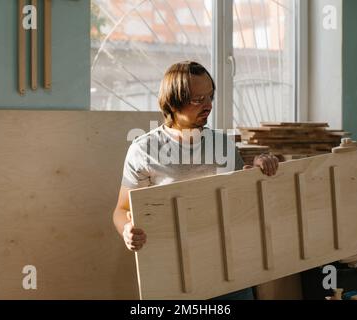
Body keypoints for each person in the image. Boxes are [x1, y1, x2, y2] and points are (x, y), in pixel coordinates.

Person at [113, 61, 279, 300]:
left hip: (228, 269)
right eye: (198, 100)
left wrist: (257, 171)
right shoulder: (144, 149)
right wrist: (127, 230)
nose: (209, 106)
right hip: (173, 272)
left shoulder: (223, 144)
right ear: (173, 102)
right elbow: (121, 210)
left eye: (210, 96)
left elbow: (241, 200)